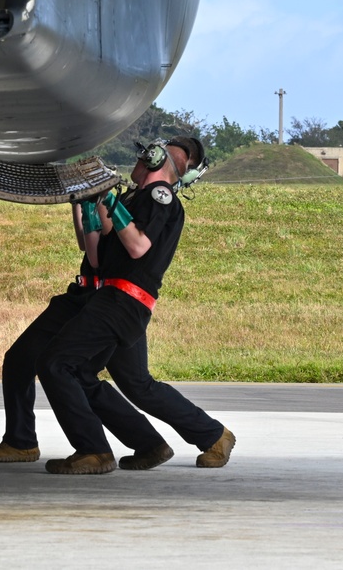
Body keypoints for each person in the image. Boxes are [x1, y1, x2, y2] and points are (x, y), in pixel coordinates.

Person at [36, 137, 235, 475]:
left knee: (56, 364)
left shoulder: (161, 198)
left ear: (157, 160)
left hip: (121, 301)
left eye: (149, 155)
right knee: (133, 384)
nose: (141, 159)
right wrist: (84, 202)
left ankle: (93, 451)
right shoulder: (133, 199)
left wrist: (109, 201)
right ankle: (206, 437)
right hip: (116, 299)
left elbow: (139, 246)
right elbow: (94, 254)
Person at [0, 202, 168, 463]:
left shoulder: (121, 202)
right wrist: (79, 203)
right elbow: (86, 244)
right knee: (20, 359)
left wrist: (100, 200)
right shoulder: (105, 199)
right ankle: (21, 441)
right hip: (82, 296)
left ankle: (109, 449)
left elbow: (99, 254)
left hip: (104, 301)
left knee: (76, 372)